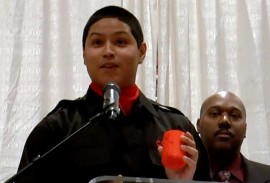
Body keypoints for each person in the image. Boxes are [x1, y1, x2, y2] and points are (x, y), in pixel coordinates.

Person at [13, 5, 209, 183]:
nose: (108, 51)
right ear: (83, 54)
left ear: (141, 52)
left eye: (120, 42)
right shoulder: (57, 129)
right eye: (97, 42)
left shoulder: (176, 127)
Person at [196, 91, 270, 182]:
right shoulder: (181, 178)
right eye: (214, 114)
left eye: (234, 116)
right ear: (198, 125)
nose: (224, 120)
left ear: (245, 129)